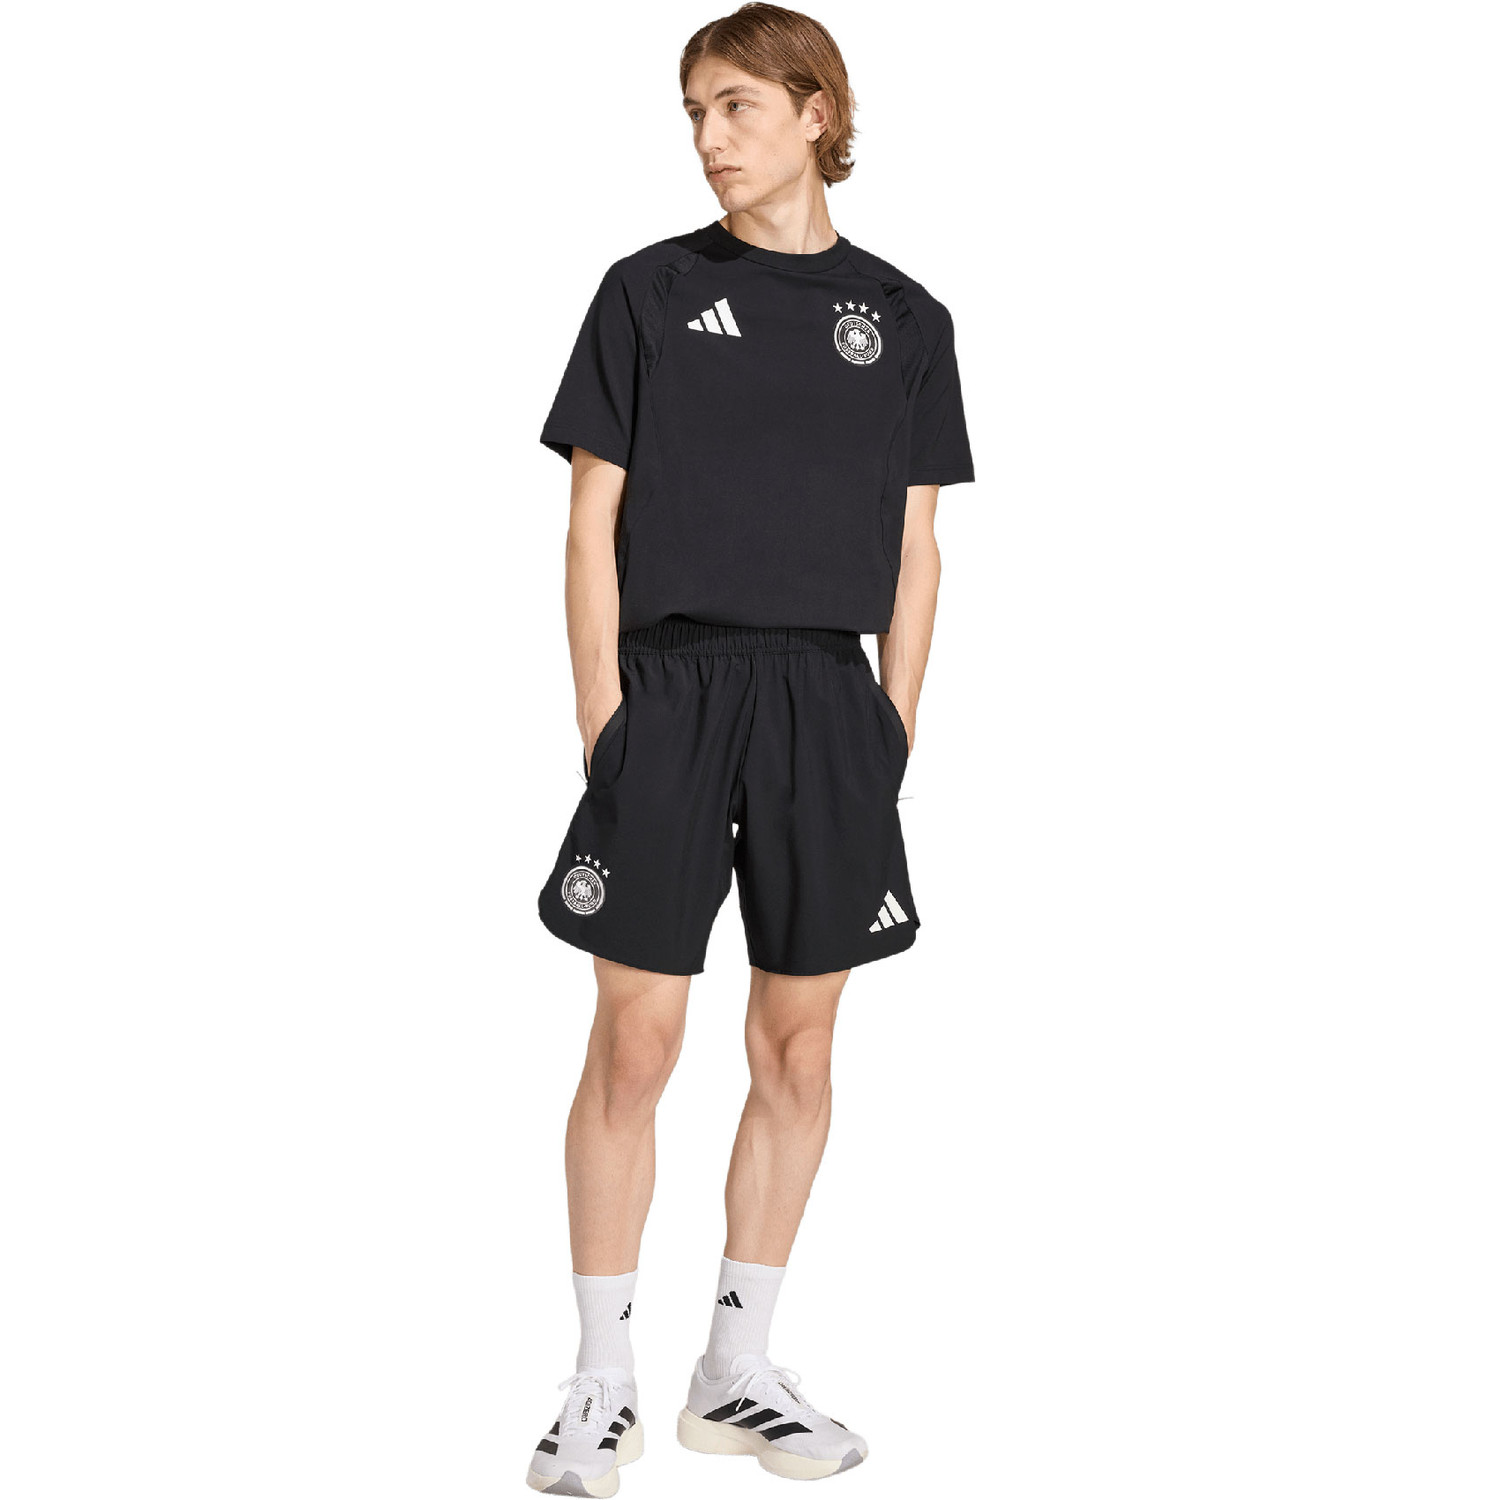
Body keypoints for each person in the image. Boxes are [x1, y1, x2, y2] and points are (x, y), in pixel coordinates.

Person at [526, 5, 973, 1493]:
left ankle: (736, 1370)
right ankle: (600, 1380)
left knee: (798, 1046)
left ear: (814, 111)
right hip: (669, 688)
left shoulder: (906, 319)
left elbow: (917, 546)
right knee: (636, 1038)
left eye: (735, 107)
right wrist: (603, 713)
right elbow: (589, 520)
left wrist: (891, 722)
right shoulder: (647, 292)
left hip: (825, 703)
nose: (710, 139)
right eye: (694, 114)